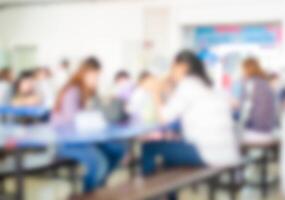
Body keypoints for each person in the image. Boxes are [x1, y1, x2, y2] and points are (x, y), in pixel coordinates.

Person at [142, 50, 241, 200]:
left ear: (182, 67)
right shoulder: (210, 85)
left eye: (173, 67)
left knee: (150, 146)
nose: (171, 72)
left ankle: (147, 195)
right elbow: (234, 104)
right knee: (170, 157)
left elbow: (163, 118)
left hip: (209, 153)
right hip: (227, 152)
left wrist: (155, 92)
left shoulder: (188, 85)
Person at [52, 57, 125, 193]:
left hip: (84, 140)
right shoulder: (72, 91)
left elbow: (92, 116)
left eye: (98, 77)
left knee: (118, 150)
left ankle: (99, 186)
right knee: (99, 163)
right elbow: (73, 121)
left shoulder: (87, 92)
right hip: (67, 142)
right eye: (95, 76)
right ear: (85, 73)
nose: (97, 80)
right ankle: (88, 193)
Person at [239, 58, 276, 143]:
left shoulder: (250, 84)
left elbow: (245, 112)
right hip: (269, 131)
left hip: (255, 133)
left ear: (246, 69)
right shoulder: (266, 84)